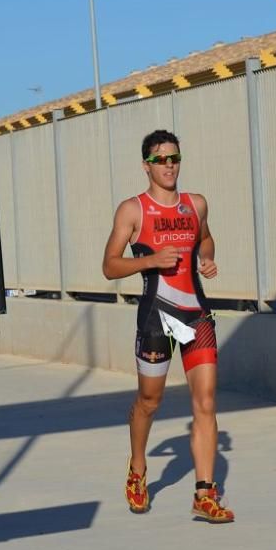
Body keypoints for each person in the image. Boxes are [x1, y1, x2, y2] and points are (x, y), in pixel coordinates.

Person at [102, 129, 235, 523]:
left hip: (195, 313)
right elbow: (110, 266)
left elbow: (206, 240)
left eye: (175, 158)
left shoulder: (196, 204)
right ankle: (138, 468)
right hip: (157, 315)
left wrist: (206, 260)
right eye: (161, 160)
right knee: (150, 401)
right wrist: (149, 261)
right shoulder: (133, 210)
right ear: (147, 165)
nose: (170, 165)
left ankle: (204, 494)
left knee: (206, 401)